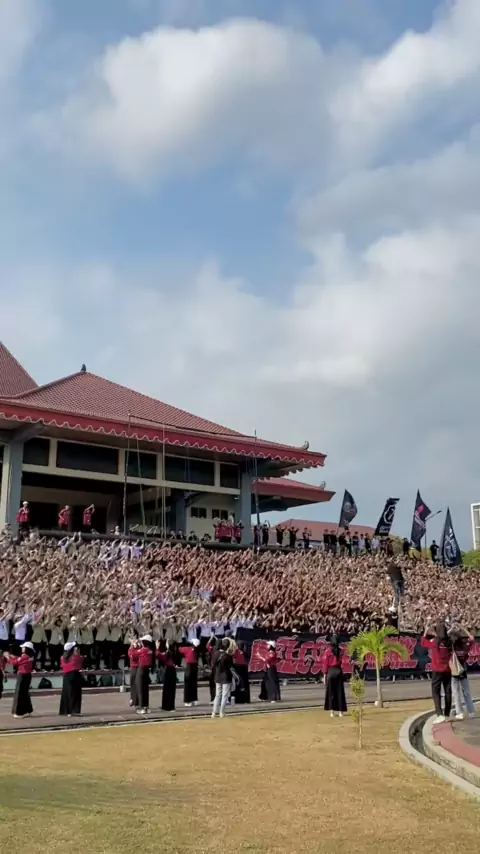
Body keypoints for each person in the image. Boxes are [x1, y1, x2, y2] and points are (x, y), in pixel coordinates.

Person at [421, 620, 452, 723]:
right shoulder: (449, 642)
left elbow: (423, 642)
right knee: (448, 692)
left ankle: (439, 714)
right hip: (447, 669)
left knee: (436, 692)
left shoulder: (434, 642)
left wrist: (426, 630)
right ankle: (447, 714)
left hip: (437, 670)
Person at [448, 624, 476, 720]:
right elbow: (472, 638)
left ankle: (459, 712)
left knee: (456, 692)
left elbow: (443, 637)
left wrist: (451, 628)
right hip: (463, 670)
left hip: (454, 670)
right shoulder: (464, 645)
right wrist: (463, 628)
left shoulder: (451, 646)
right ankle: (471, 712)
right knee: (466, 692)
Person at [6, 641, 35, 718]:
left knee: (19, 694)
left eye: (23, 647)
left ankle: (18, 712)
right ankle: (27, 710)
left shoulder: (25, 656)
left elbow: (14, 662)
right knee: (25, 693)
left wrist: (8, 657)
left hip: (22, 675)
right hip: (27, 675)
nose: (22, 648)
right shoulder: (28, 657)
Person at [322, 636, 347, 717]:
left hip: (330, 672)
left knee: (330, 692)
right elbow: (342, 662)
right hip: (338, 671)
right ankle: (340, 712)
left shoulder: (327, 651)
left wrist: (324, 676)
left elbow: (325, 664)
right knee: (340, 692)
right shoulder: (341, 651)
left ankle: (332, 711)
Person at [211, 638, 235, 719]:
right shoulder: (228, 656)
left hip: (217, 675)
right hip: (226, 676)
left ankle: (214, 712)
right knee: (225, 695)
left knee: (217, 695)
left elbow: (213, 663)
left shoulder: (215, 654)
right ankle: (222, 712)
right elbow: (231, 666)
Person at [59, 641, 84, 716]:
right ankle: (74, 711)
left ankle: (65, 711)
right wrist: (77, 653)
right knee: (75, 693)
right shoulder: (75, 657)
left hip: (66, 676)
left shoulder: (62, 657)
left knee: (66, 693)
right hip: (74, 675)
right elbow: (81, 662)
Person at [156, 641, 177, 712]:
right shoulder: (172, 652)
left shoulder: (168, 652)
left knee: (168, 689)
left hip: (169, 671)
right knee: (170, 689)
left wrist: (157, 648)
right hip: (172, 671)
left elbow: (159, 655)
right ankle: (167, 706)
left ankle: (169, 707)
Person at [179, 638, 200, 707]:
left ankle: (187, 700)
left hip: (189, 667)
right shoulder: (197, 650)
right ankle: (194, 699)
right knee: (194, 683)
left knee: (187, 684)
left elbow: (180, 649)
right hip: (195, 667)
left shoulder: (188, 649)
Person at [136, 635, 154, 715]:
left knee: (141, 689)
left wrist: (133, 646)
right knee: (145, 689)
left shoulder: (144, 650)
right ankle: (146, 706)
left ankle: (142, 707)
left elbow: (133, 653)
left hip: (141, 669)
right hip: (146, 670)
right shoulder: (150, 650)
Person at [127, 638, 140, 708]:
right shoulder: (131, 648)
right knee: (132, 684)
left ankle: (136, 701)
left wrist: (134, 647)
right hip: (133, 667)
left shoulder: (138, 648)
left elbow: (134, 657)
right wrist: (132, 647)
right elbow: (130, 655)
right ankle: (132, 698)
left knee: (136, 684)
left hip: (137, 667)